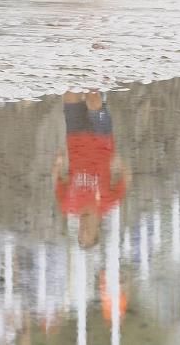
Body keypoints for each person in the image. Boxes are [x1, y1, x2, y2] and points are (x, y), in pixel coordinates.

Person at [53, 90, 130, 248]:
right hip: (102, 139)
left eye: (81, 232)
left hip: (75, 138)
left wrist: (58, 163)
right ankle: (97, 76)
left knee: (70, 94)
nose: (84, 228)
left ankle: (76, 68)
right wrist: (119, 162)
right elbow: (126, 179)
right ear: (97, 230)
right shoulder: (108, 203)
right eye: (88, 232)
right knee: (93, 99)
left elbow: (58, 181)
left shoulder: (68, 206)